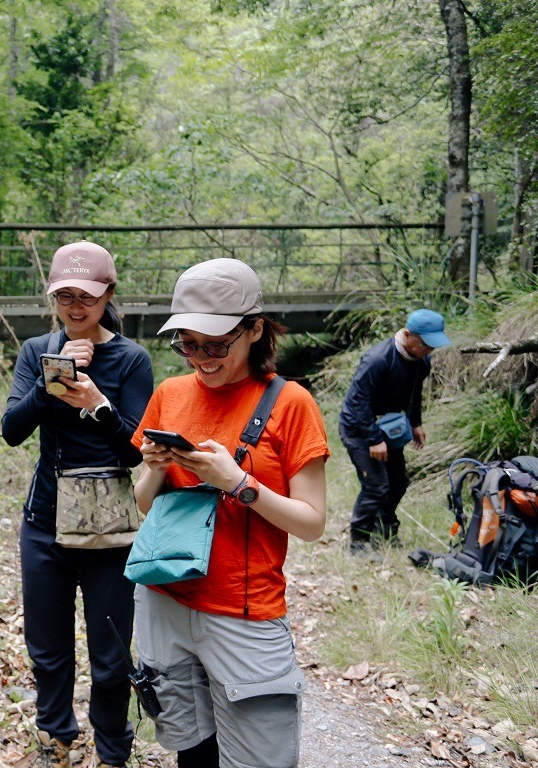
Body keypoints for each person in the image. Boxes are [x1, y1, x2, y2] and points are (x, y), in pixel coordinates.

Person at [131, 258, 329, 768]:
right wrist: (155, 466)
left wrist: (238, 484)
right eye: (188, 344)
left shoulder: (291, 403)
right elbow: (143, 502)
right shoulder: (169, 395)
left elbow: (312, 523)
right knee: (191, 752)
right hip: (164, 597)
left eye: (216, 344)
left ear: (255, 328)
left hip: (243, 614)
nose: (201, 358)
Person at [2, 241, 154, 768]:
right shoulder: (35, 350)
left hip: (110, 524)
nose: (75, 306)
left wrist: (97, 404)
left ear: (108, 294)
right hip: (44, 519)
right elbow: (11, 431)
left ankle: (113, 750)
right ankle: (55, 741)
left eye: (86, 296)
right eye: (64, 296)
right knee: (47, 648)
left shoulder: (131, 358)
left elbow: (135, 451)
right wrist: (54, 379)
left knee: (111, 656)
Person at [339, 308, 451, 553]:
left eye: (433, 345)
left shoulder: (422, 361)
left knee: (398, 481)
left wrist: (416, 423)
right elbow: (358, 402)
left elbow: (415, 393)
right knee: (376, 485)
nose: (429, 350)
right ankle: (358, 540)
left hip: (389, 428)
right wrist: (373, 439)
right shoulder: (378, 359)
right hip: (358, 428)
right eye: (425, 344)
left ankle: (384, 529)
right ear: (408, 335)